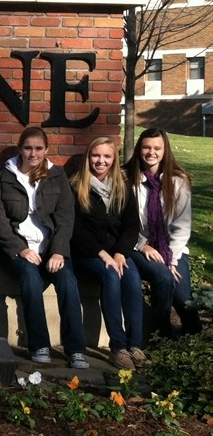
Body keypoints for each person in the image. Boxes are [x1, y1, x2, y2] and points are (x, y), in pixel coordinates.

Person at [0, 127, 88, 369]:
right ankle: (39, 344)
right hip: (20, 249)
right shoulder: (4, 177)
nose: (32, 154)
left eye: (38, 148)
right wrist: (20, 250)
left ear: (46, 150)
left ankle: (75, 349)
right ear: (20, 148)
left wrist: (58, 251)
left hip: (51, 248)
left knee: (67, 281)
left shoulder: (57, 175)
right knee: (31, 280)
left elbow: (66, 216)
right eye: (27, 148)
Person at [69, 136, 143, 370]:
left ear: (114, 159)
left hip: (117, 253)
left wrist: (121, 253)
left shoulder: (123, 187)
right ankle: (118, 348)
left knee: (132, 278)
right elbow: (76, 230)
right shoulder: (76, 186)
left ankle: (135, 345)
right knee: (111, 275)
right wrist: (103, 254)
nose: (100, 161)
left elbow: (132, 226)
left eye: (106, 156)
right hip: (88, 254)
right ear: (88, 157)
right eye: (96, 155)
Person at [125, 128, 201, 338]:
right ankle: (161, 333)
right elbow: (123, 222)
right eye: (146, 147)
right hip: (139, 246)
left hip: (172, 249)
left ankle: (192, 340)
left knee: (184, 301)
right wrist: (143, 244)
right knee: (164, 279)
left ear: (165, 150)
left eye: (157, 148)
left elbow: (182, 226)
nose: (151, 152)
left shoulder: (178, 181)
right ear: (139, 149)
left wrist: (172, 260)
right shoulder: (127, 179)